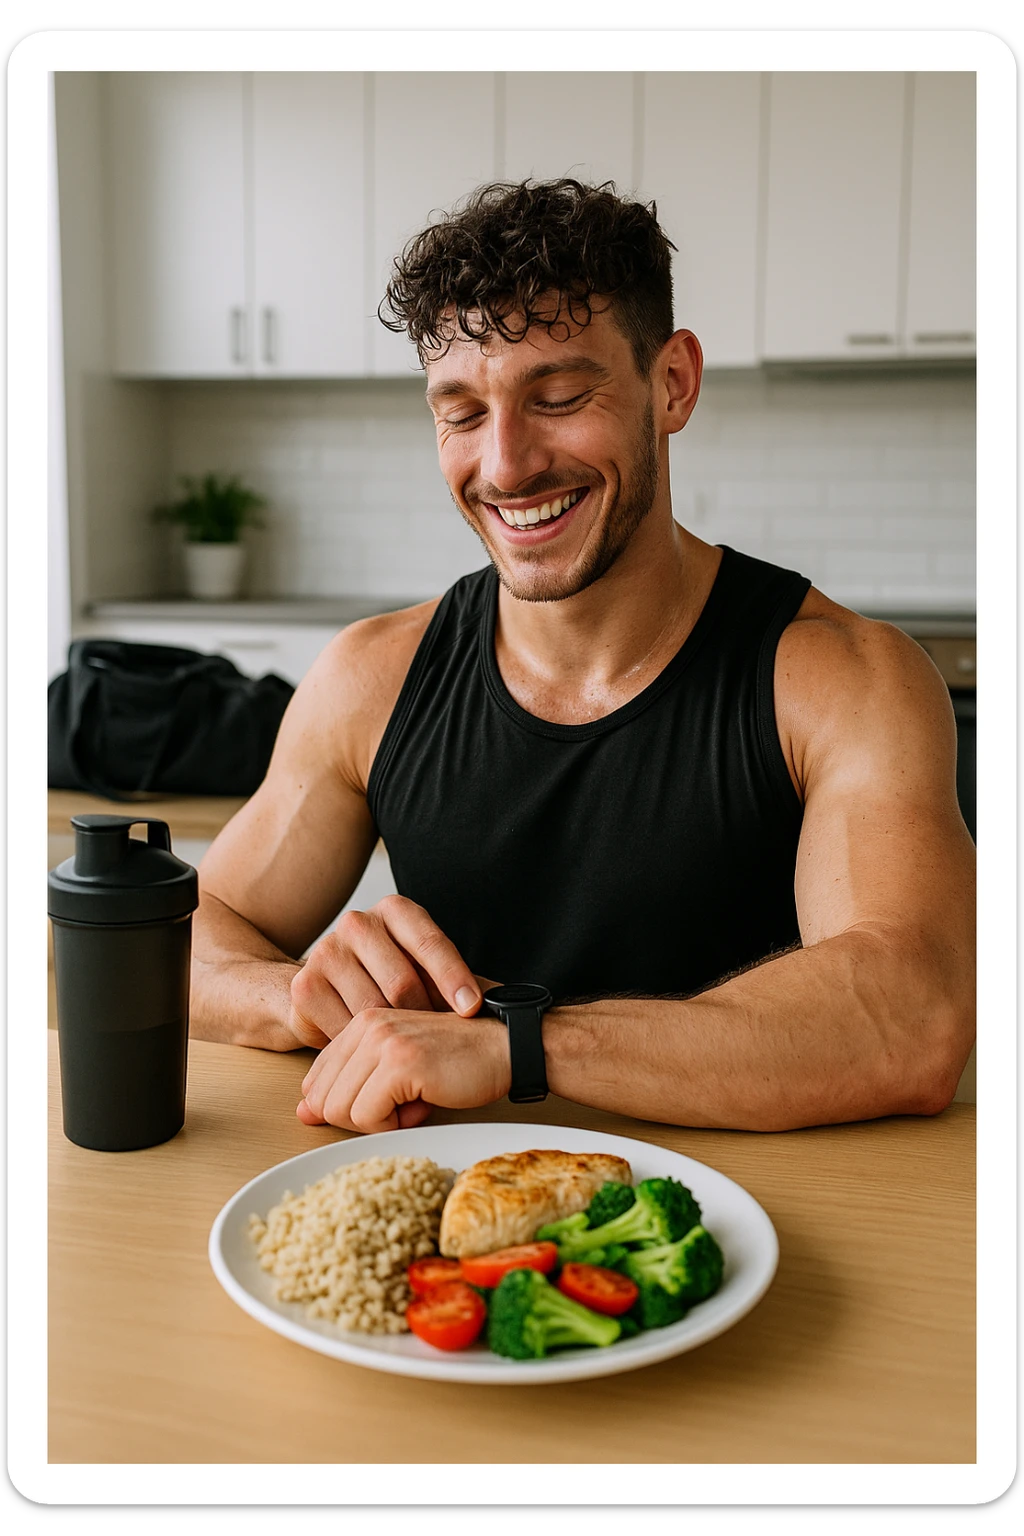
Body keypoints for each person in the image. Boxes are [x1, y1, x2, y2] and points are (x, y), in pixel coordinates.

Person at [191, 179, 976, 1136]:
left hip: (767, 1234)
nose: (508, 465)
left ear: (673, 383)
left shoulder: (840, 679)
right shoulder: (371, 678)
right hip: (467, 1227)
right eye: (463, 413)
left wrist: (521, 1044)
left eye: (559, 395)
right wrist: (299, 998)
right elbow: (183, 931)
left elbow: (911, 1016)